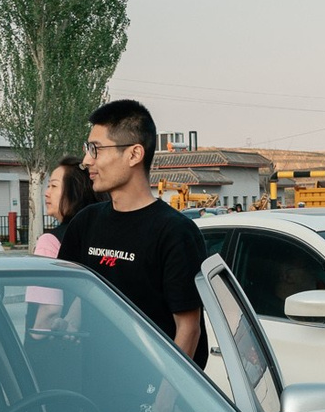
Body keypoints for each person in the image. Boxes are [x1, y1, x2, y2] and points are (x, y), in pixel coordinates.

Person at [58, 99, 206, 364]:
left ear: (134, 155)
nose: (86, 160)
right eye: (87, 149)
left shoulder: (175, 232)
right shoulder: (85, 223)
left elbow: (189, 329)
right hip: (92, 385)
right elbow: (81, 294)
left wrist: (164, 402)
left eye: (96, 149)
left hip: (150, 387)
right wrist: (69, 322)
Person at [27, 162, 94, 333]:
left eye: (53, 186)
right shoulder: (97, 234)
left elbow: (49, 310)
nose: (46, 193)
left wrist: (35, 339)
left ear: (74, 193)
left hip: (56, 342)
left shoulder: (50, 242)